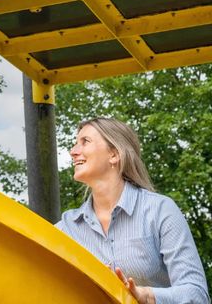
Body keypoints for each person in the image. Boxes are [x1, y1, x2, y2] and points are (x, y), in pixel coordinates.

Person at [56, 117, 210, 304]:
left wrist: (146, 296)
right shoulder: (67, 228)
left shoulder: (160, 210)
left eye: (85, 142)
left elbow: (197, 294)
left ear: (114, 155)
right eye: (75, 144)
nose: (73, 151)